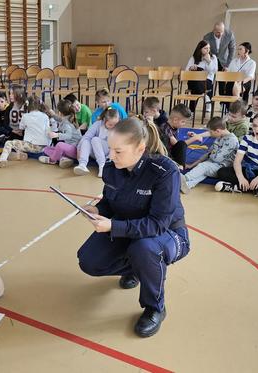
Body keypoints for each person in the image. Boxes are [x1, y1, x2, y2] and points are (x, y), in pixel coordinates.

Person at [77, 117, 190, 338]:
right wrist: (99, 210)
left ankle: (155, 307)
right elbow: (110, 201)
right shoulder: (112, 168)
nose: (111, 156)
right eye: (110, 149)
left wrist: (113, 226)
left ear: (140, 149)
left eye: (118, 151)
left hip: (168, 234)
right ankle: (137, 269)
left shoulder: (164, 171)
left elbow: (158, 224)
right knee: (89, 261)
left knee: (145, 249)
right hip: (129, 228)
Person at [215, 112, 258, 198]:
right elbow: (237, 162)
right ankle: (256, 189)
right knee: (222, 172)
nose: (256, 129)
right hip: (247, 170)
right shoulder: (247, 138)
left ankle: (235, 187)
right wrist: (241, 178)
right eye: (254, 125)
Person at [0, 95, 51, 168]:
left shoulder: (26, 116)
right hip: (43, 147)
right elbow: (48, 130)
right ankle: (20, 154)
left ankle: (2, 159)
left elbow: (21, 128)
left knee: (9, 143)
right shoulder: (45, 116)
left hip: (31, 146)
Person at [180, 117, 239, 193]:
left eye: (211, 132)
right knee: (203, 171)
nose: (210, 134)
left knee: (203, 167)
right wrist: (192, 165)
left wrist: (210, 155)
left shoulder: (232, 140)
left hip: (222, 167)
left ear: (217, 131)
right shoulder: (219, 136)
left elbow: (216, 158)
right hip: (213, 164)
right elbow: (208, 153)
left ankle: (184, 178)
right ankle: (187, 185)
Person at [74, 107, 121, 177]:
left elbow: (119, 145)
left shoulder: (119, 129)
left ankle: (102, 166)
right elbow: (86, 136)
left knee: (95, 139)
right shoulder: (98, 124)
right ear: (104, 120)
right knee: (86, 141)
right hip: (97, 152)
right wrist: (79, 149)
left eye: (115, 124)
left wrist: (110, 158)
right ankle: (82, 164)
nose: (113, 127)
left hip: (109, 153)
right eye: (110, 125)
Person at [39, 99, 82, 168]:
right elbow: (59, 118)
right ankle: (63, 159)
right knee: (46, 149)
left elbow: (68, 136)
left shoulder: (66, 123)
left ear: (60, 112)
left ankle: (52, 160)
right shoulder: (68, 118)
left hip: (75, 150)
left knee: (59, 145)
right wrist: (50, 111)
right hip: (70, 147)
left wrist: (56, 135)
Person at [156, 103, 200, 169]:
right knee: (181, 145)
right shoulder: (165, 127)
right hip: (164, 156)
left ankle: (180, 165)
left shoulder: (173, 126)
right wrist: (194, 138)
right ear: (175, 120)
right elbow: (177, 144)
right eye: (183, 122)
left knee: (181, 144)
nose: (184, 124)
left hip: (170, 153)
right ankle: (180, 167)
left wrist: (188, 136)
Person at [185, 40, 218, 113]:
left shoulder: (213, 57)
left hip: (207, 81)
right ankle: (205, 95)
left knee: (195, 89)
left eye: (209, 48)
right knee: (195, 81)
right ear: (200, 49)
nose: (208, 50)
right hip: (194, 81)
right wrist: (191, 68)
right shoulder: (193, 58)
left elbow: (214, 71)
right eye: (205, 48)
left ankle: (191, 111)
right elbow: (186, 71)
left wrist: (209, 61)